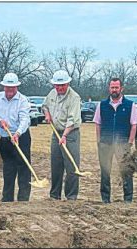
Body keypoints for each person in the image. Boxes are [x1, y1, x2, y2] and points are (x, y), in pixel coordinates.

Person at [93, 77, 137, 203]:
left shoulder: (130, 105)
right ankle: (105, 199)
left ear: (121, 88)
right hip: (105, 143)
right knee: (105, 171)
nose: (114, 90)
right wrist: (99, 140)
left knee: (126, 171)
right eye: (112, 87)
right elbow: (97, 123)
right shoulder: (102, 105)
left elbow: (134, 125)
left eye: (116, 87)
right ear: (109, 88)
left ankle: (128, 199)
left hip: (123, 144)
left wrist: (130, 142)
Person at [0, 73, 32, 202]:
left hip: (21, 137)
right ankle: (7, 197)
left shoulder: (22, 100)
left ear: (16, 87)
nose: (10, 91)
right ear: (4, 87)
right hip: (5, 137)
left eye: (12, 88)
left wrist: (17, 133)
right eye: (8, 88)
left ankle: (23, 198)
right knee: (8, 167)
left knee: (23, 167)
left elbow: (25, 119)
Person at [42, 70, 82, 201]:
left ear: (68, 83)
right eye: (57, 85)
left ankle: (71, 196)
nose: (59, 88)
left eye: (62, 85)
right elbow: (45, 106)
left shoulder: (74, 98)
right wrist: (47, 114)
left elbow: (72, 120)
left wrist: (64, 136)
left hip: (70, 134)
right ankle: (54, 195)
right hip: (56, 132)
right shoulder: (52, 93)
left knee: (71, 166)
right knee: (56, 164)